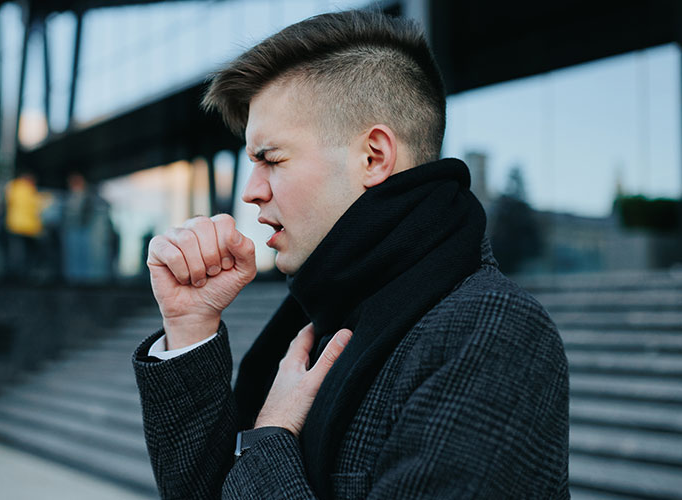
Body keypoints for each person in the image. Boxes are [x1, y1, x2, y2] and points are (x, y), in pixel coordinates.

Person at [133, 10, 569, 499]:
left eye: (271, 159)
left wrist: (268, 440)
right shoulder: (319, 316)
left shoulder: (490, 332)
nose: (251, 192)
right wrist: (191, 326)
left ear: (373, 157)